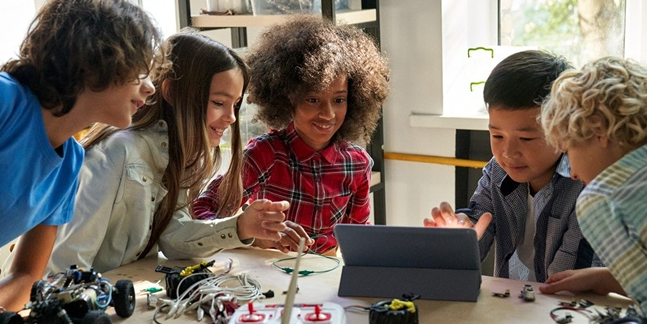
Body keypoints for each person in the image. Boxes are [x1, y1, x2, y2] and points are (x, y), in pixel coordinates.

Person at [41, 31, 290, 275]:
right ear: (171, 92)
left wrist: (240, 227)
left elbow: (172, 237)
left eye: (235, 105)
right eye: (218, 102)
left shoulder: (178, 154)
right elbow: (66, 265)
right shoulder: (118, 152)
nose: (231, 118)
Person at [0, 0, 165, 311]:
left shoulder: (70, 163)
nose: (150, 88)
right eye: (141, 71)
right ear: (95, 58)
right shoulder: (5, 100)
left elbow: (26, 277)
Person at [193, 16, 390, 255]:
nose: (327, 114)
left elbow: (359, 241)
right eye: (313, 99)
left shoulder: (357, 164)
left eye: (339, 100)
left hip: (324, 277)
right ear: (287, 98)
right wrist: (250, 232)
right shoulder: (265, 155)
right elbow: (203, 210)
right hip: (271, 275)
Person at [424, 50, 600, 282]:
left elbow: (565, 288)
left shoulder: (585, 185)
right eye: (497, 136)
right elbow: (477, 222)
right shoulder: (497, 172)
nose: (508, 152)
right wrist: (460, 236)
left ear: (564, 128)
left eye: (526, 139)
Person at [539, 56, 647, 323]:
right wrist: (607, 278)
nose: (572, 172)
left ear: (599, 130)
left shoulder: (603, 198)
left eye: (569, 150)